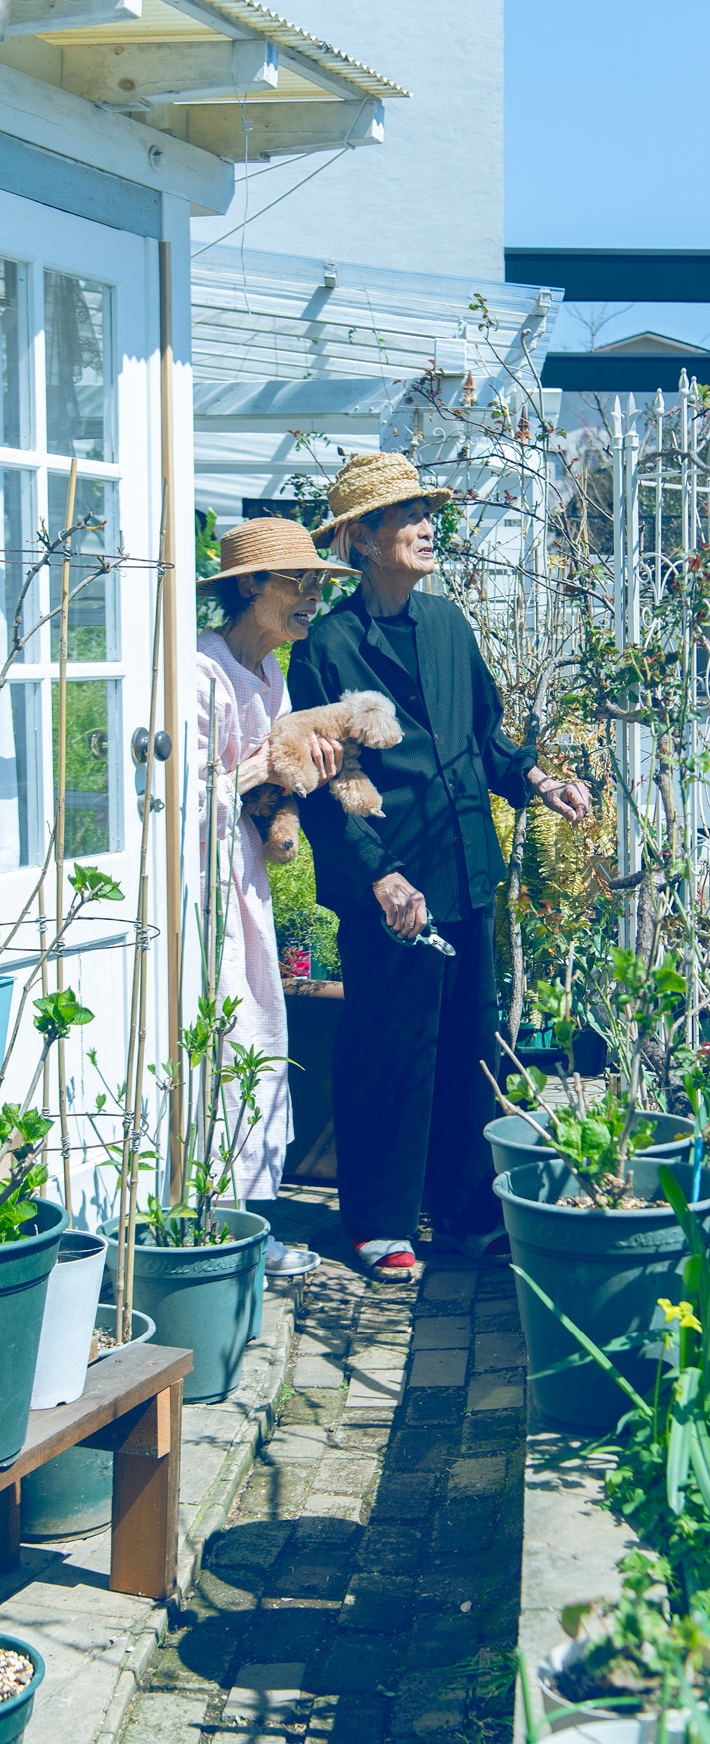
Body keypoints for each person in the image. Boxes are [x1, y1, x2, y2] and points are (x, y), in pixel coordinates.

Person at [290, 452, 590, 1279]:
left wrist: (540, 780)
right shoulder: (327, 647)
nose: (429, 527)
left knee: (469, 1047)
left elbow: (486, 736)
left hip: (464, 865)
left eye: (429, 512)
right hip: (390, 879)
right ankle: (379, 1220)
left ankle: (466, 1212)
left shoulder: (450, 625)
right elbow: (324, 784)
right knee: (388, 1049)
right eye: (409, 515)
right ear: (362, 537)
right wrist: (378, 873)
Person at [196, 516, 358, 1269]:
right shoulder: (202, 673)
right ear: (251, 584)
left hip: (245, 876)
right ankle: (217, 1229)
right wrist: (267, 767)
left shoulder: (268, 671)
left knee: (259, 1028)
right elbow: (181, 800)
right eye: (301, 582)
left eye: (321, 583)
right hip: (202, 884)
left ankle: (248, 1226)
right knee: (222, 1033)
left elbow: (275, 773)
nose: (314, 597)